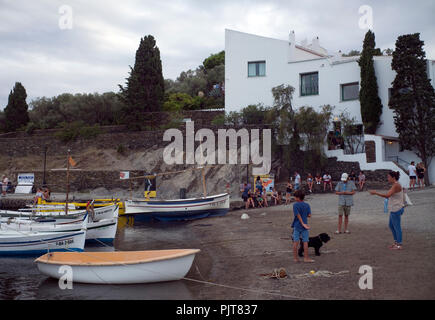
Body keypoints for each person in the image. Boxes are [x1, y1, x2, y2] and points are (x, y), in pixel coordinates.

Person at [369, 171, 405, 250]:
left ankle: (399, 244)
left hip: (396, 208)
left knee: (396, 226)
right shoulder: (395, 184)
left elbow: (387, 195)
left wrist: (376, 193)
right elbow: (389, 194)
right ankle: (396, 242)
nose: (387, 178)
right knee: (391, 226)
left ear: (393, 177)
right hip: (395, 208)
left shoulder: (396, 185)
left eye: (389, 177)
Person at [291, 190, 314, 263]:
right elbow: (309, 215)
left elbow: (297, 215)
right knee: (305, 241)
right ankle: (306, 258)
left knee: (296, 242)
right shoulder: (307, 205)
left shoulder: (295, 205)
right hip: (305, 225)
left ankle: (295, 258)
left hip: (297, 225)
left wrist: (302, 222)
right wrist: (304, 222)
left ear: (298, 198)